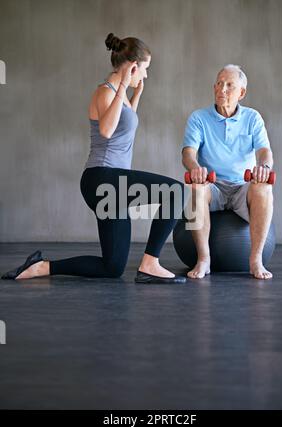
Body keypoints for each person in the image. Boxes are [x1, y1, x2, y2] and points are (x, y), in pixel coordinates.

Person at [2, 33, 187, 284]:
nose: (145, 75)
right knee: (174, 191)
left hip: (111, 184)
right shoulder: (105, 92)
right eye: (144, 69)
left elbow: (124, 122)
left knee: (112, 267)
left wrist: (136, 95)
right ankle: (150, 263)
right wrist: (124, 84)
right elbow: (107, 130)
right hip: (103, 179)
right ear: (133, 66)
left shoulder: (117, 95)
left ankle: (41, 267)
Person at [182, 64, 274, 280]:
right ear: (214, 87)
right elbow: (188, 153)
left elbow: (264, 152)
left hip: (243, 187)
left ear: (241, 92)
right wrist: (195, 169)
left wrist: (264, 168)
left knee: (264, 189)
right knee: (196, 189)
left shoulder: (253, 118)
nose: (222, 89)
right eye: (219, 84)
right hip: (213, 186)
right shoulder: (199, 118)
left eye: (229, 85)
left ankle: (255, 260)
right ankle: (204, 259)